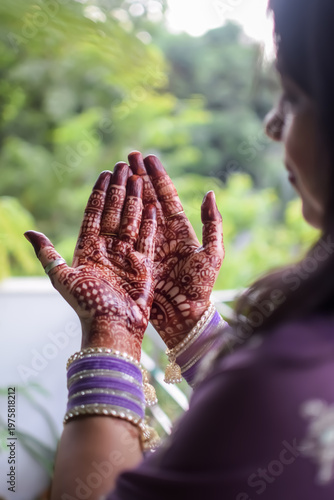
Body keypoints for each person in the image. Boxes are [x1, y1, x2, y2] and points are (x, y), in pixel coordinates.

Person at [24, 0, 334, 498]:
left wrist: (112, 338)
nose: (273, 126)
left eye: (294, 98)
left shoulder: (282, 382)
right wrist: (191, 325)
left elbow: (270, 409)